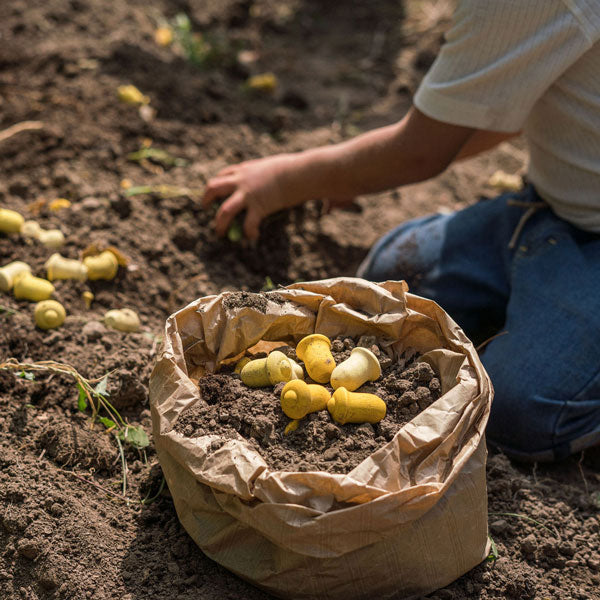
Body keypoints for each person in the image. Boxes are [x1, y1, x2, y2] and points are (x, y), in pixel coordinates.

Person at [203, 1, 600, 462]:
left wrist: (289, 180)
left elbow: (418, 151)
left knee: (522, 415)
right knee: (392, 277)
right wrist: (349, 174)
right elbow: (486, 107)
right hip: (559, 200)